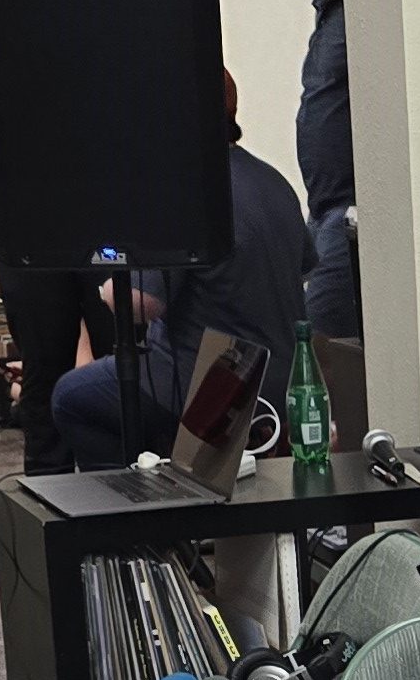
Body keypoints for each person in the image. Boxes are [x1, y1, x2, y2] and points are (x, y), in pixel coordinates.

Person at [50, 71, 309, 468]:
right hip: (281, 383)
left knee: (71, 398)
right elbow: (303, 270)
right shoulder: (276, 183)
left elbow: (138, 304)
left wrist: (104, 283)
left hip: (212, 383)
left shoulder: (187, 192)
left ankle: (136, 517)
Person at [0, 67, 106, 474]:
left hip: (104, 218)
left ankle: (119, 484)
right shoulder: (9, 29)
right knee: (42, 369)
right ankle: (47, 494)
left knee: (120, 362)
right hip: (29, 228)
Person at [261, 0, 363, 437]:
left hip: (348, 215)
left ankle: (335, 507)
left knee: (324, 364)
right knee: (320, 359)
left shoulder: (362, 15)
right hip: (323, 210)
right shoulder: (329, 11)